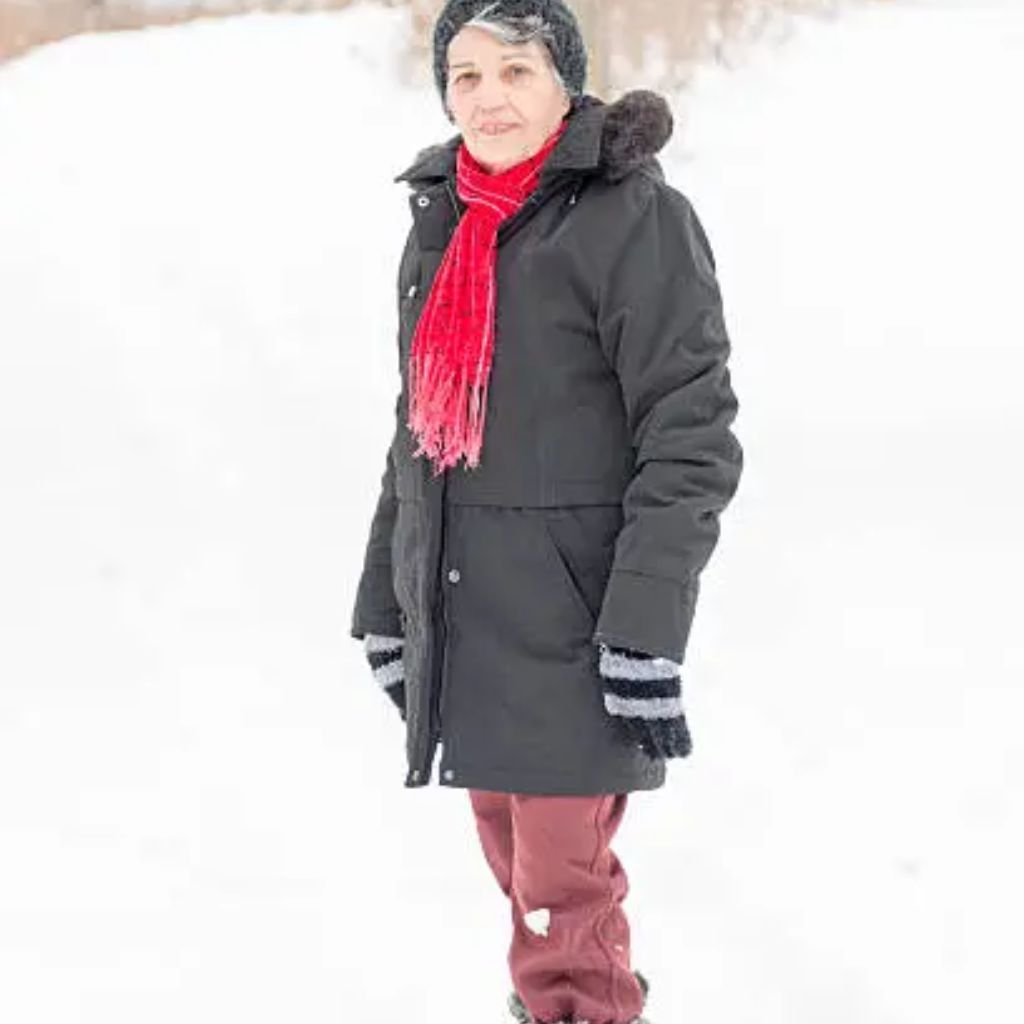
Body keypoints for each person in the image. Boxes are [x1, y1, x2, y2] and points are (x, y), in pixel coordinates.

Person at [350, 2, 744, 1022]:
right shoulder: (445, 222)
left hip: (576, 626)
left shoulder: (633, 219)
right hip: (471, 616)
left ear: (565, 81)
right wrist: (386, 602)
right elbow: (419, 435)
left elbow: (689, 432)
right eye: (466, 75)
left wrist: (644, 631)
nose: (487, 98)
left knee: (560, 903)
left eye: (514, 71)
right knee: (523, 882)